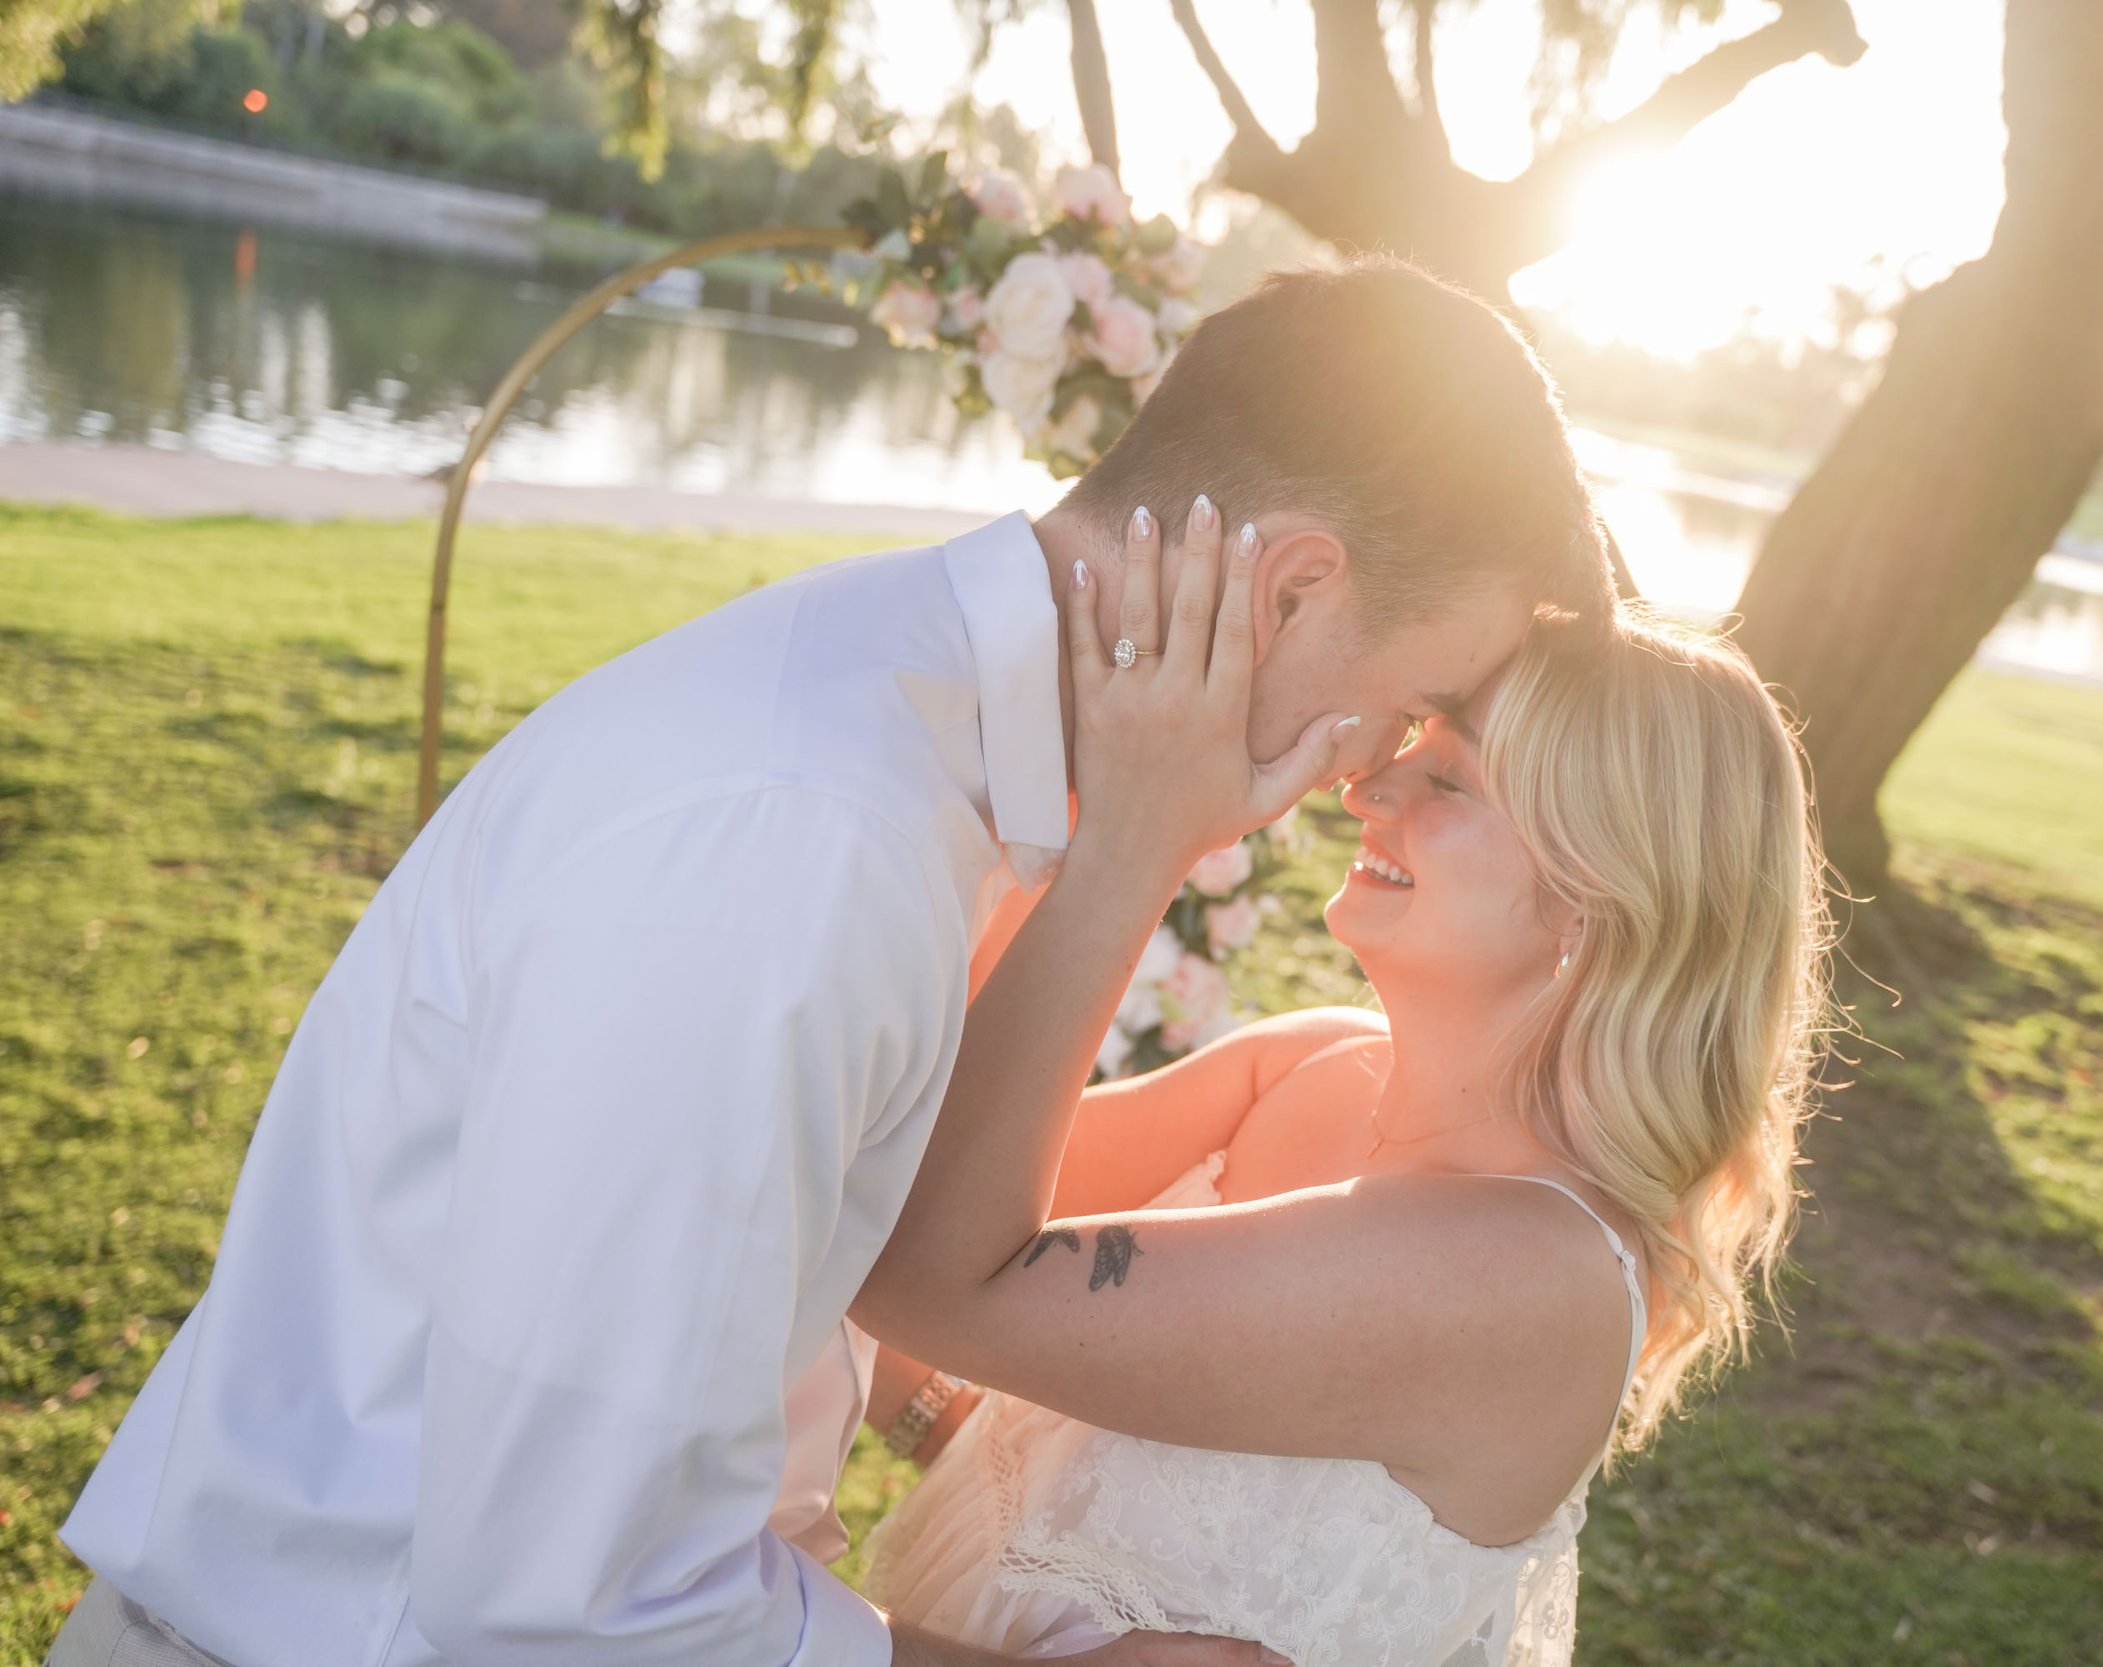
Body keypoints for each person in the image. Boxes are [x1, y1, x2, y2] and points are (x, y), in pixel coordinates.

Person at [43, 258, 1612, 1667]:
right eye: (1408, 703)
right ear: (1290, 591)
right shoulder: (807, 831)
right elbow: (569, 1596)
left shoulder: (907, 741)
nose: (1369, 766)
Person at [847, 506, 1833, 1665]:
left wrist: (1135, 837)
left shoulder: (1530, 1275)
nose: (1370, 789)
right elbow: (878, 1185)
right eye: (1410, 738)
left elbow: (928, 1278)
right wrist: (965, 1439)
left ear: (1594, 898)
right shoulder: (1312, 1062)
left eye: (1449, 777)